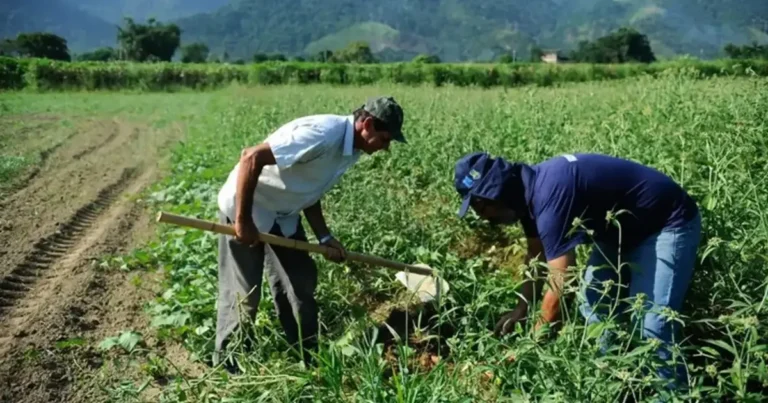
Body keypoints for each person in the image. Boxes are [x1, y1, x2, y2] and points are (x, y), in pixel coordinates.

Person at [453, 151, 701, 388]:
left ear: (492, 196)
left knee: (653, 324)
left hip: (666, 223)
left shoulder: (549, 196)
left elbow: (562, 284)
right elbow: (536, 256)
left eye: (478, 208)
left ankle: (672, 393)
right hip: (618, 232)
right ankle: (612, 381)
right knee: (595, 304)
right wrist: (522, 307)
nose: (482, 217)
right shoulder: (525, 194)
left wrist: (527, 350)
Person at [214, 96, 406, 367]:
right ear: (368, 124)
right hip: (247, 206)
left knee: (300, 282)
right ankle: (229, 362)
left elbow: (310, 189)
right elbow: (251, 157)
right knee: (244, 293)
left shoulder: (351, 150)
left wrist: (325, 237)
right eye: (385, 139)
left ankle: (306, 354)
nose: (386, 147)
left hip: (283, 214)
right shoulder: (322, 135)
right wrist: (243, 221)